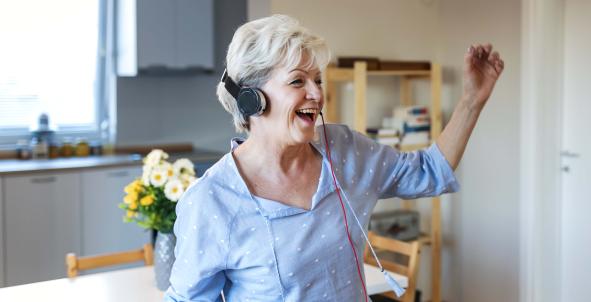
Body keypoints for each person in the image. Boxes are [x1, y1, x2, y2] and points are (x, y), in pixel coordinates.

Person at [164, 14, 504, 302]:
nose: (317, 93)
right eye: (298, 80)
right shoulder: (213, 201)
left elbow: (429, 172)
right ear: (252, 100)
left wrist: (472, 100)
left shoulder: (345, 151)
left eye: (318, 80)